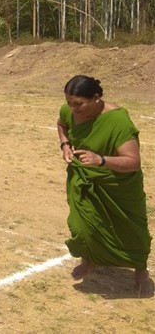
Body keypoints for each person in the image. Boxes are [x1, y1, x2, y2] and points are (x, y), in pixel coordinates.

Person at [57, 75, 151, 295]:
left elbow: (133, 162)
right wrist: (65, 145)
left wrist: (101, 160)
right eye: (69, 103)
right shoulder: (69, 110)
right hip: (85, 179)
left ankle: (140, 272)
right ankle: (89, 260)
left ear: (96, 98)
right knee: (84, 225)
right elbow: (61, 124)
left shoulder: (118, 121)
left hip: (118, 185)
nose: (73, 108)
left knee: (132, 231)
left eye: (78, 104)